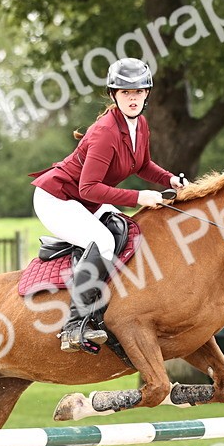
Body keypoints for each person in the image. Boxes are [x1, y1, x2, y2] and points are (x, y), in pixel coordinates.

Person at [29, 57, 186, 352]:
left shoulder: (139, 124)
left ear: (147, 94)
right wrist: (139, 197)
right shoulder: (105, 132)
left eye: (138, 92)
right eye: (126, 93)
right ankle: (75, 325)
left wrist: (169, 180)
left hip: (84, 200)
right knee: (102, 240)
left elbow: (143, 165)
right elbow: (88, 187)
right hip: (58, 198)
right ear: (114, 95)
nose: (133, 98)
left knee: (129, 229)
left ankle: (119, 304)